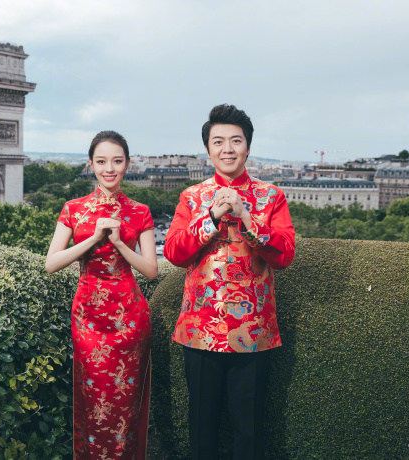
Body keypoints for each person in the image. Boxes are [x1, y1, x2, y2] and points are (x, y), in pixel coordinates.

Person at [164, 104, 295, 459]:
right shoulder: (192, 197)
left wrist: (245, 216)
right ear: (208, 150)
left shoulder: (271, 196)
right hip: (200, 329)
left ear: (248, 147)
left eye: (235, 141)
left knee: (248, 431)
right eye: (218, 141)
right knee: (201, 429)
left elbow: (284, 255)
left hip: (253, 332)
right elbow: (174, 252)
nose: (227, 149)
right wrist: (211, 216)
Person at [45, 130, 158, 459]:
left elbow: (151, 270)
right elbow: (52, 263)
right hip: (89, 321)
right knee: (93, 402)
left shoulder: (140, 211)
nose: (110, 168)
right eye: (102, 161)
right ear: (90, 165)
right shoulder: (74, 209)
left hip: (130, 318)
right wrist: (93, 239)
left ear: (127, 164)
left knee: (126, 406)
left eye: (117, 161)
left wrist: (121, 244)